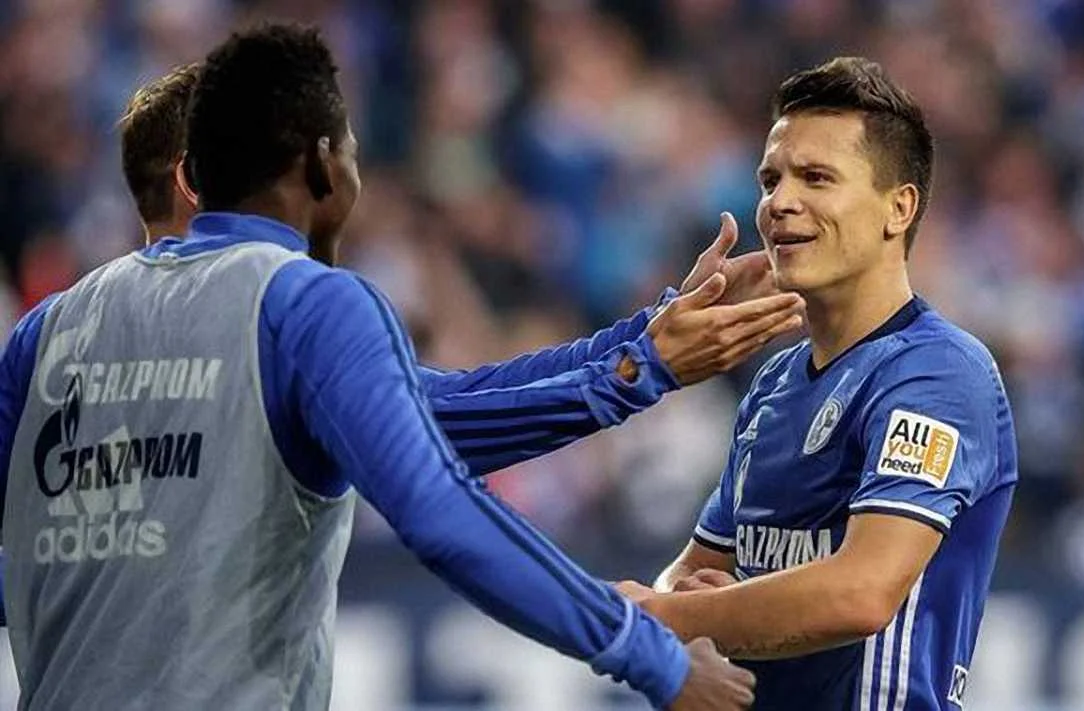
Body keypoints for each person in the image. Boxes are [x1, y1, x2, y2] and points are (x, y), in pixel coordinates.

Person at [0, 24, 761, 710]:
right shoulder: (304, 301)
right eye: (354, 153)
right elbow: (438, 506)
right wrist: (652, 655)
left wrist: (640, 353)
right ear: (322, 167)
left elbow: (431, 418)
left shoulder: (46, 333)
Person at [115, 62, 801, 476]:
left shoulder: (69, 326)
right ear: (194, 181)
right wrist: (645, 367)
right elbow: (437, 425)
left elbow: (461, 393)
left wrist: (652, 330)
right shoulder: (276, 312)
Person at [621, 57, 1018, 710]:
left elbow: (861, 593)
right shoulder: (775, 382)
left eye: (816, 178)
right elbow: (694, 570)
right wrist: (684, 607)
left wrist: (678, 617)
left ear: (898, 208)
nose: (779, 202)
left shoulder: (938, 371)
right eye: (770, 179)